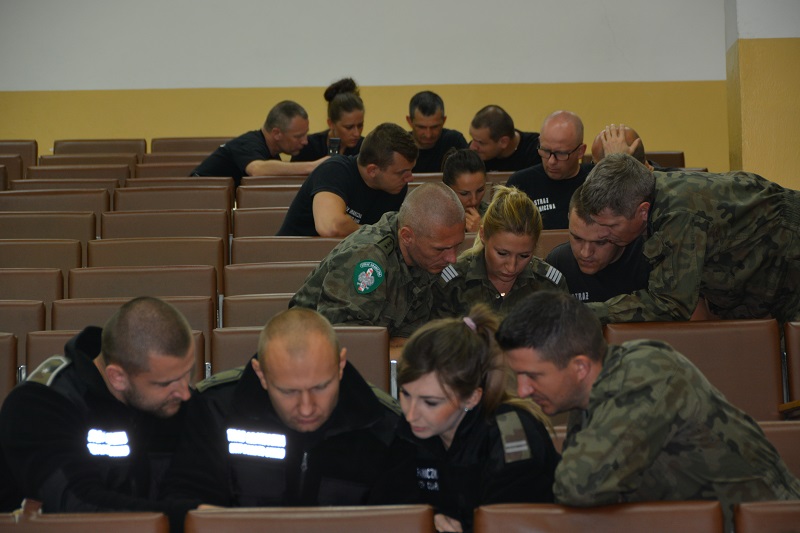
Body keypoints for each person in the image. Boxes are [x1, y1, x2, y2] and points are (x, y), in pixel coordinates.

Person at [496, 290, 800, 530]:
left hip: (768, 525)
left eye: (532, 376)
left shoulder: (646, 376)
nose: (522, 391)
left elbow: (578, 486)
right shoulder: (587, 396)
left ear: (580, 367)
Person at [162, 307, 417, 507]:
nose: (306, 408)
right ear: (261, 375)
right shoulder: (214, 412)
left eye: (320, 387)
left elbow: (398, 519)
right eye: (288, 391)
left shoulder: (385, 426)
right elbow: (184, 500)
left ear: (340, 366)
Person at [0, 297, 199, 530]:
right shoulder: (38, 406)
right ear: (118, 377)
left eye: (188, 372)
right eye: (166, 383)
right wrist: (193, 516)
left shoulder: (176, 403)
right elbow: (77, 508)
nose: (185, 393)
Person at [581, 153, 800, 322]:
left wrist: (584, 313)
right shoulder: (652, 190)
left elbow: (670, 303)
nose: (603, 234)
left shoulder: (677, 215)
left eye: (611, 226)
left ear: (643, 211)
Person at [397, 304, 558, 533]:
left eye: (430, 402)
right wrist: (427, 519)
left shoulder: (513, 434)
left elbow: (512, 523)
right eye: (405, 394)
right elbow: (391, 500)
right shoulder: (410, 427)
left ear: (472, 398)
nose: (411, 414)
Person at [290, 182, 465, 342]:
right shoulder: (367, 258)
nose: (452, 258)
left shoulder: (425, 255)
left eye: (457, 246)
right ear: (407, 236)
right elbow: (347, 340)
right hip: (305, 349)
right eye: (440, 249)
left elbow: (407, 335)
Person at [434, 185, 567, 318]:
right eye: (502, 254)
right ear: (483, 235)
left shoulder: (550, 285)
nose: (511, 267)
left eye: (524, 255)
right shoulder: (453, 284)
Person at [277, 122, 417, 237]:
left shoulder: (396, 187)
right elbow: (330, 227)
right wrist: (377, 233)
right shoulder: (334, 170)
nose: (409, 178)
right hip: (290, 256)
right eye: (401, 173)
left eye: (410, 170)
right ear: (372, 170)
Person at [546, 185, 651, 303]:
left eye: (600, 242)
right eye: (577, 238)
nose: (585, 253)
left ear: (619, 230)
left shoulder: (649, 259)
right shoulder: (558, 263)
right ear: (568, 218)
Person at [192, 100, 326, 186]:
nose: (305, 141)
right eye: (298, 136)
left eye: (306, 134)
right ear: (276, 133)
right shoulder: (247, 144)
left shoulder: (272, 154)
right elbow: (257, 170)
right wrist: (312, 166)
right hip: (197, 198)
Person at [506, 110, 593, 229]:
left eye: (561, 153)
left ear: (580, 151)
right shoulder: (520, 183)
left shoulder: (596, 181)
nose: (551, 161)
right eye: (545, 151)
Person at [292, 77, 365, 162]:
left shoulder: (365, 148)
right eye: (349, 127)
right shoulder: (308, 146)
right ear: (331, 123)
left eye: (360, 125)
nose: (356, 133)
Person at [406, 91, 468, 173]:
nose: (428, 135)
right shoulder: (398, 146)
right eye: (421, 127)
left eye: (434, 127)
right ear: (409, 121)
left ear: (444, 120)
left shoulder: (455, 142)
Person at [468, 105, 541, 172]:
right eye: (473, 138)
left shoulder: (538, 151)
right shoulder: (472, 155)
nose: (472, 147)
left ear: (503, 142)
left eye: (481, 143)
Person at [442, 148, 489, 233]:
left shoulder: (496, 218)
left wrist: (479, 233)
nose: (474, 201)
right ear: (447, 190)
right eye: (464, 193)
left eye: (480, 190)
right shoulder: (432, 219)